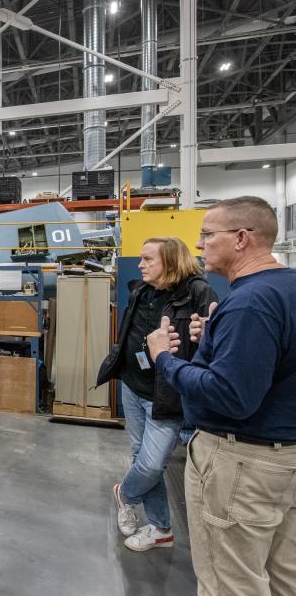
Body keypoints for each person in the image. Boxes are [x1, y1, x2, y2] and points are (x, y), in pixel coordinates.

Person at [146, 196, 296, 596]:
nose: (199, 245)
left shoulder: (250, 303)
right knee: (283, 576)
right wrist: (216, 337)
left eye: (208, 235)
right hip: (284, 459)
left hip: (242, 464)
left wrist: (164, 359)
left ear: (242, 238)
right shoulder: (284, 289)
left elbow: (231, 396)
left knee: (231, 582)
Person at [97, 237, 217, 552]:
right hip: (132, 385)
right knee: (141, 458)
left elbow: (212, 342)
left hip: (167, 393)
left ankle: (125, 494)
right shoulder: (142, 291)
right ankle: (161, 528)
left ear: (171, 261)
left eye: (149, 259)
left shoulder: (199, 293)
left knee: (151, 465)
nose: (140, 264)